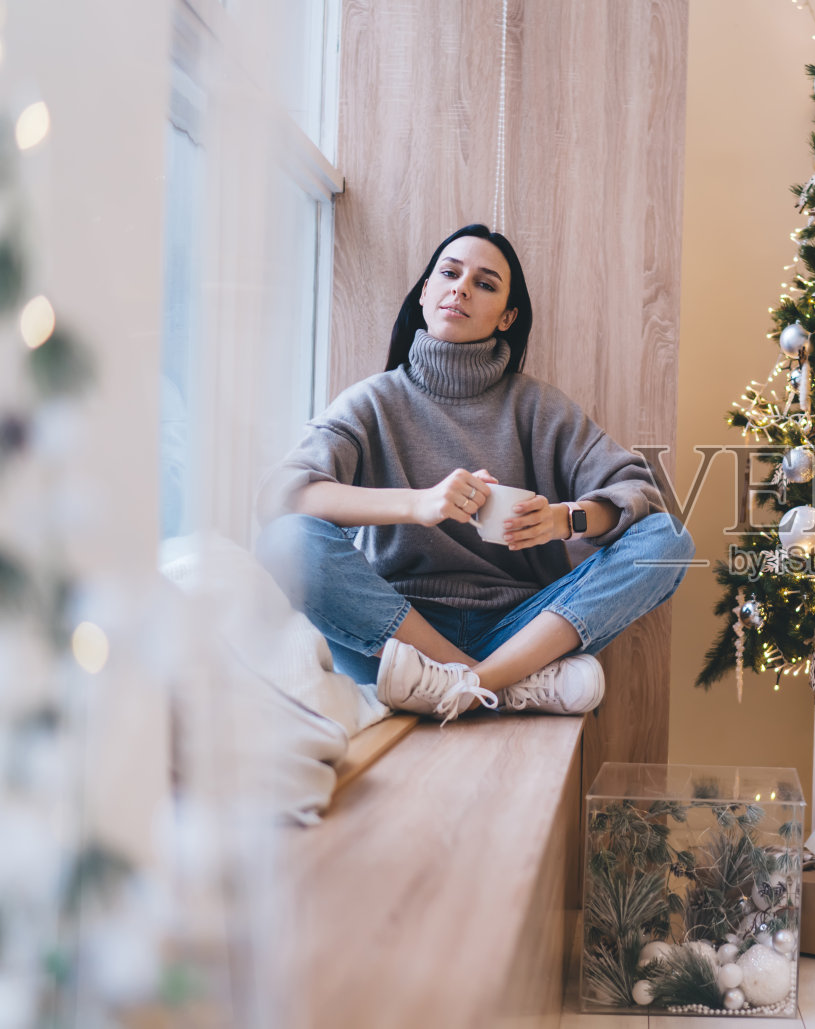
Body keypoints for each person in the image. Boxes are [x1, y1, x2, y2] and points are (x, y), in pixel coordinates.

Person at [254, 224, 693, 722]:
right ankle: (502, 685)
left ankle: (474, 684)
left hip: (520, 627)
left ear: (507, 316)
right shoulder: (372, 401)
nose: (460, 287)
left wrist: (563, 520)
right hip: (398, 634)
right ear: (425, 293)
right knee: (287, 538)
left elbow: (642, 494)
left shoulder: (538, 408)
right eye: (448, 273)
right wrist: (417, 505)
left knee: (669, 538)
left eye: (484, 283)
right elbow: (279, 496)